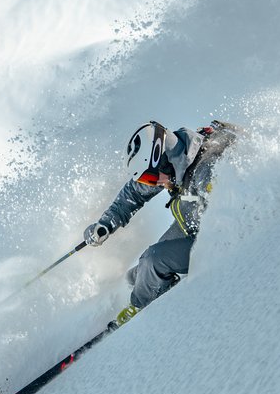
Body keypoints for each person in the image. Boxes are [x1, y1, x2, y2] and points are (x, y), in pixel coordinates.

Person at [84, 120, 240, 327]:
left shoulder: (207, 170)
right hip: (191, 227)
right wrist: (106, 223)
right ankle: (147, 293)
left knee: (153, 260)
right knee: (138, 275)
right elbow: (133, 193)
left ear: (163, 160)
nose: (152, 183)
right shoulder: (179, 161)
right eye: (147, 180)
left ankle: (142, 311)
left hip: (213, 240)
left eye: (150, 178)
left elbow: (231, 220)